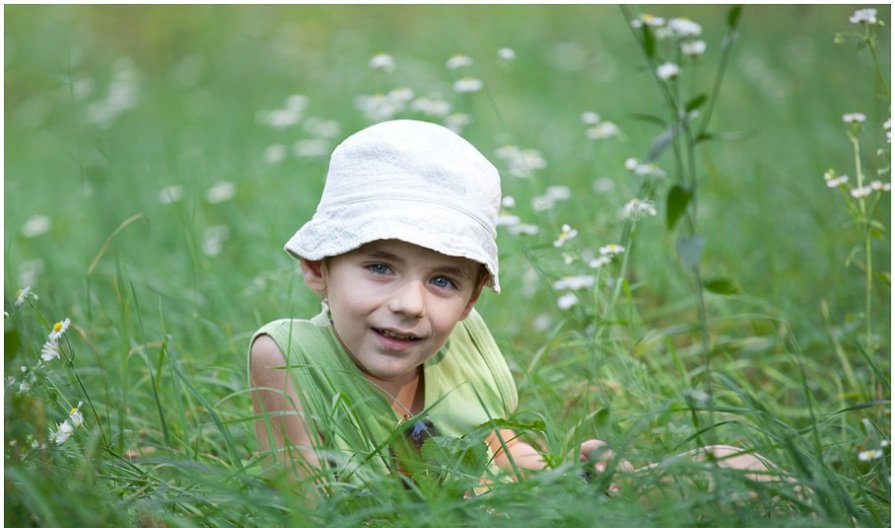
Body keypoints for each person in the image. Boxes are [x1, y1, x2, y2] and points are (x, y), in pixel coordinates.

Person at [248, 119, 776, 499]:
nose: (410, 305)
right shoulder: (289, 355)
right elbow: (311, 512)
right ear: (318, 266)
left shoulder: (464, 341)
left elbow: (501, 448)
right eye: (380, 268)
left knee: (744, 468)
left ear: (472, 297)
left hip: (505, 521)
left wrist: (575, 481)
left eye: (442, 280)